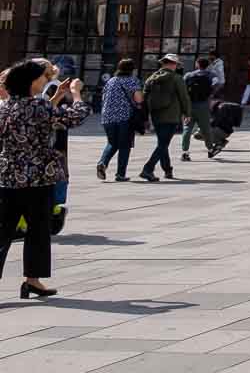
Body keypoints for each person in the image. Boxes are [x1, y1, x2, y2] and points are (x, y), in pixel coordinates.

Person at [1, 60, 89, 299]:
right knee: (38, 231)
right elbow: (74, 117)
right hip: (38, 178)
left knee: (3, 231)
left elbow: (38, 117)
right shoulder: (39, 107)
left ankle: (33, 282)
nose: (45, 81)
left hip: (8, 177)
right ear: (31, 81)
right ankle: (32, 279)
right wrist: (76, 93)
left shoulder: (7, 106)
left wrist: (56, 97)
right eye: (42, 77)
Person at [137, 55, 190, 182]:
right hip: (171, 115)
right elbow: (184, 97)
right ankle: (148, 169)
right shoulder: (177, 78)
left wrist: (146, 115)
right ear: (173, 64)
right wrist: (187, 113)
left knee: (162, 143)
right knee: (163, 144)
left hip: (156, 115)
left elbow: (144, 97)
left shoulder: (151, 78)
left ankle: (167, 169)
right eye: (176, 64)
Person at [96, 58, 143, 182]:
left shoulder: (111, 81)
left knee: (112, 143)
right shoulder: (133, 81)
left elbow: (103, 97)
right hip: (125, 117)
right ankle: (120, 174)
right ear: (132, 69)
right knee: (125, 145)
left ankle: (103, 162)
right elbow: (138, 99)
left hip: (107, 117)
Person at [180, 55, 216, 162]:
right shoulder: (211, 75)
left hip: (190, 105)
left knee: (187, 128)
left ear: (197, 64)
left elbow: (183, 87)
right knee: (206, 129)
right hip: (203, 105)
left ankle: (185, 152)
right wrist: (210, 94)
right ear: (207, 65)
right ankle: (210, 149)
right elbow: (217, 83)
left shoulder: (188, 75)